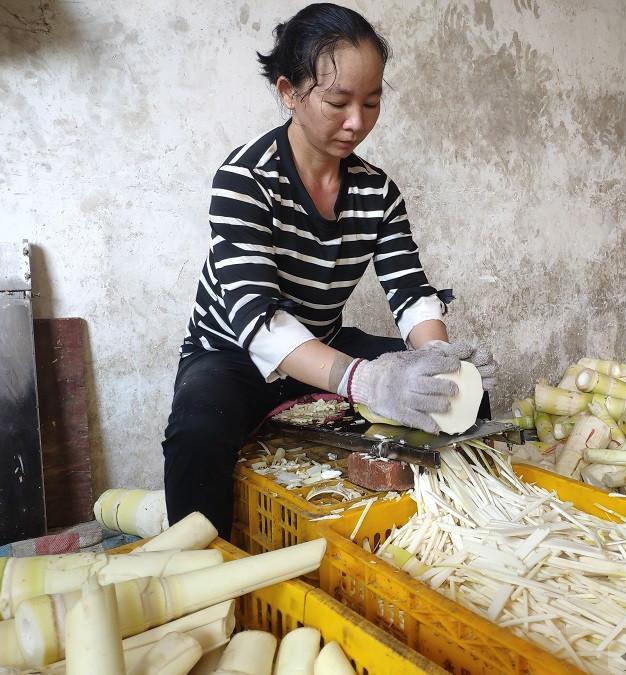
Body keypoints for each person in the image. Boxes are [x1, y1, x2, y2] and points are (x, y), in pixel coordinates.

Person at [162, 3, 497, 538]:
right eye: (338, 101)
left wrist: (438, 361)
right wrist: (365, 379)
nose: (356, 122)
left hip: (324, 339)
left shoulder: (376, 190)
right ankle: (199, 573)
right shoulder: (244, 179)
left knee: (459, 397)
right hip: (230, 354)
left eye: (372, 101)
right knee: (198, 434)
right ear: (288, 92)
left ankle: (438, 534)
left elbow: (410, 292)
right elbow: (257, 319)